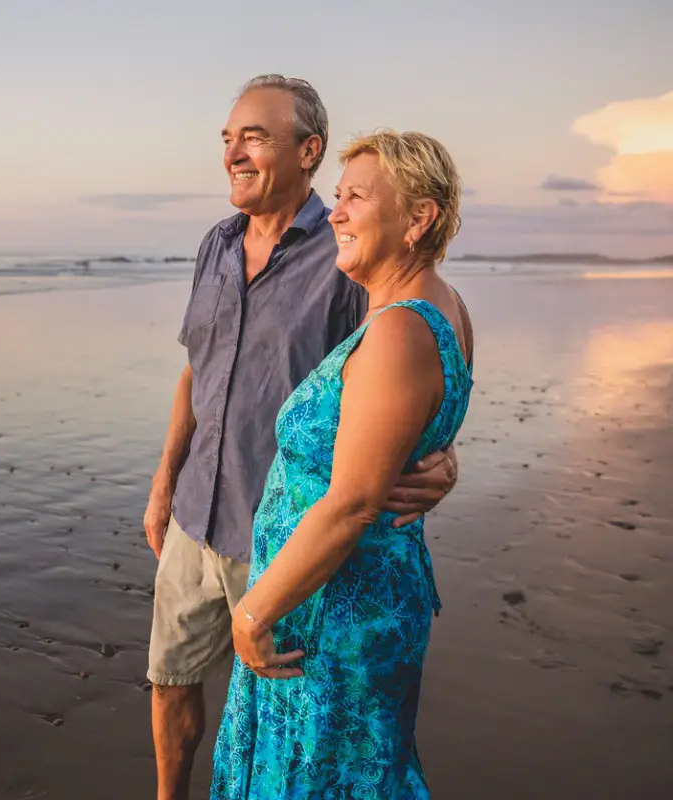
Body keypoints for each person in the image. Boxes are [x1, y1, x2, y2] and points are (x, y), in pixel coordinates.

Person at [144, 75, 460, 800]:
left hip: (289, 541)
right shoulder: (215, 245)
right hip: (196, 513)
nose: (233, 153)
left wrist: (441, 454)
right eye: (227, 139)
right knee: (170, 679)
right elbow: (195, 372)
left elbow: (405, 366)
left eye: (253, 136)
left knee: (288, 733)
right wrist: (164, 486)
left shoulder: (350, 252)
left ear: (307, 149)